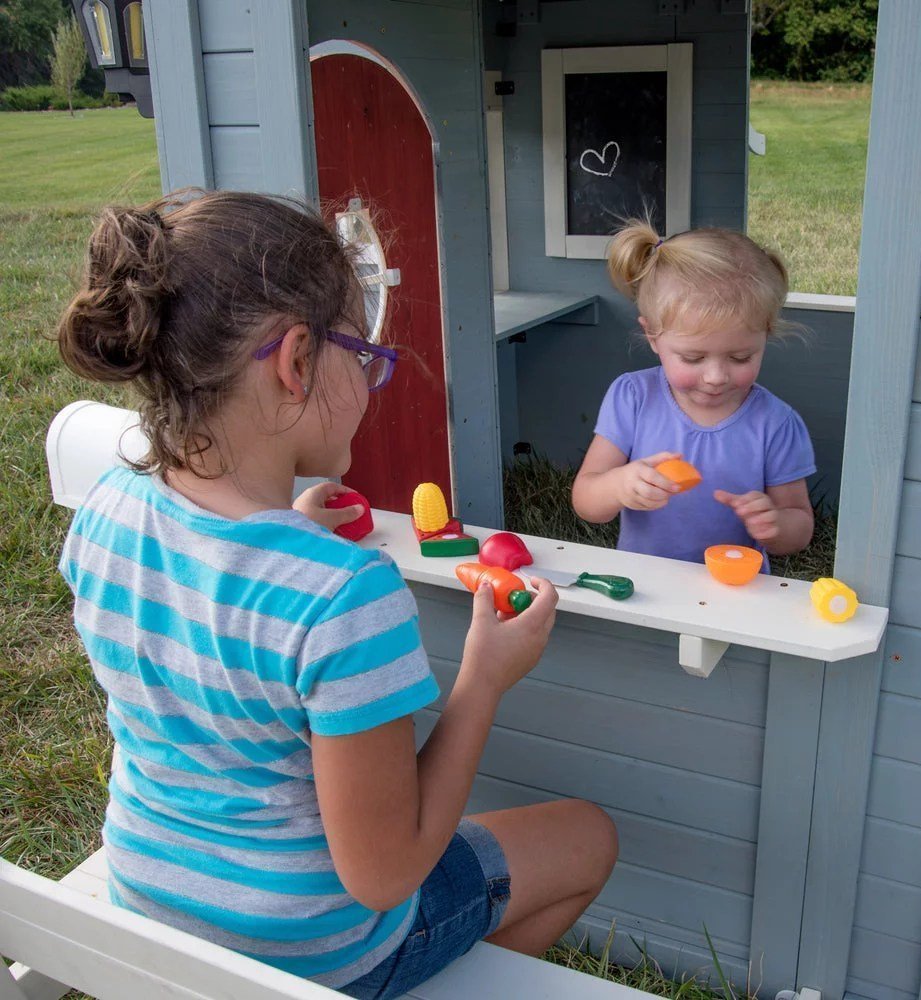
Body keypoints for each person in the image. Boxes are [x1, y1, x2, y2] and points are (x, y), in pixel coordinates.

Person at [55, 190, 617, 1000]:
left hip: (152, 907)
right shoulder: (343, 596)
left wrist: (286, 527)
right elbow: (386, 874)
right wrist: (483, 680)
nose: (370, 371)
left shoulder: (109, 507)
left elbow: (205, 620)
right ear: (294, 361)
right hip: (313, 958)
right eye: (360, 350)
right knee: (586, 837)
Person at [572, 223, 816, 570]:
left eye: (740, 357)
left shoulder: (776, 423)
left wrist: (776, 524)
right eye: (693, 358)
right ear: (653, 336)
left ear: (766, 335)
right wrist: (619, 485)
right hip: (646, 582)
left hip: (734, 590)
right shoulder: (634, 398)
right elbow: (585, 500)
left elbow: (800, 527)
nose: (716, 377)